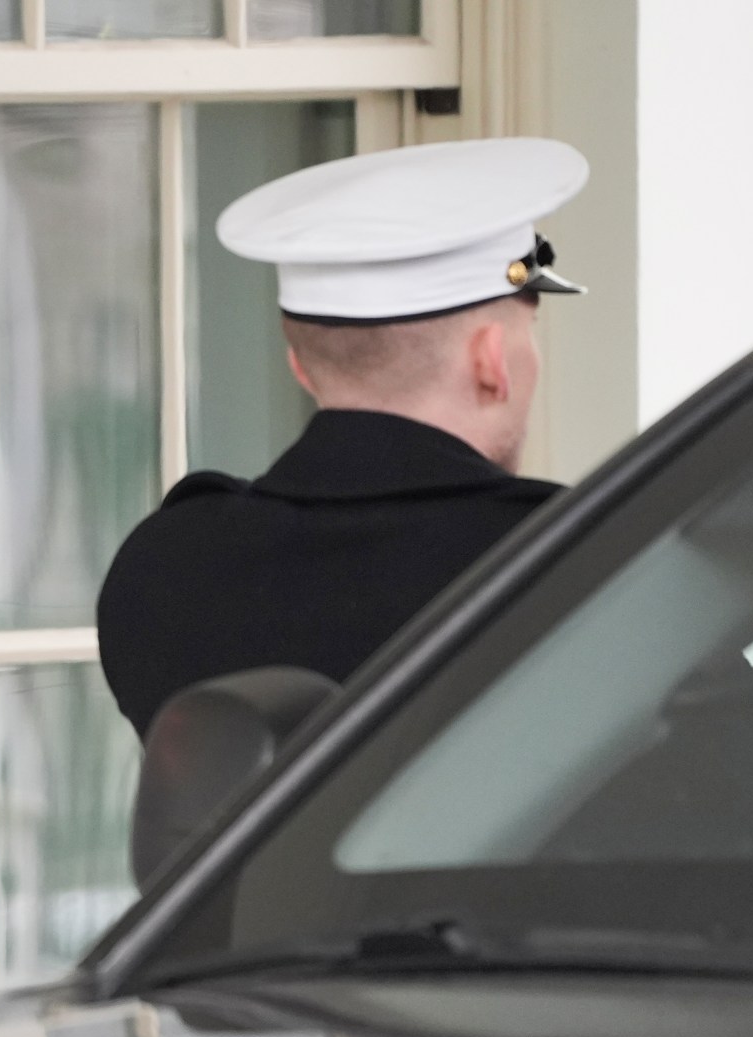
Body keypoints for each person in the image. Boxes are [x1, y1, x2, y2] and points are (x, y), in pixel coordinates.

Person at [97, 138, 588, 737]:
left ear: (299, 366)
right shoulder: (575, 563)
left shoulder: (165, 568)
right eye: (526, 333)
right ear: (491, 359)